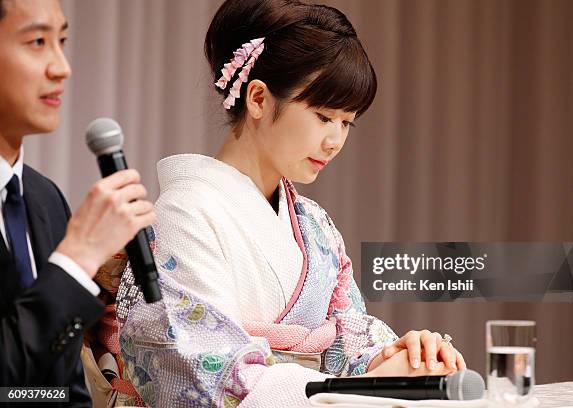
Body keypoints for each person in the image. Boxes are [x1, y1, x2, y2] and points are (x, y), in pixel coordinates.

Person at [117, 0, 465, 406]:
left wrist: (400, 359)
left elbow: (347, 340)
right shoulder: (184, 213)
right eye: (323, 116)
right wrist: (347, 393)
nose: (335, 141)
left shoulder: (315, 224)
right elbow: (200, 370)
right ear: (260, 99)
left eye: (346, 122)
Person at [0, 0, 155, 405]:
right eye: (37, 41)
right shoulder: (75, 238)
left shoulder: (44, 197)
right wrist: (77, 258)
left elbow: (58, 388)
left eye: (62, 41)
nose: (62, 67)